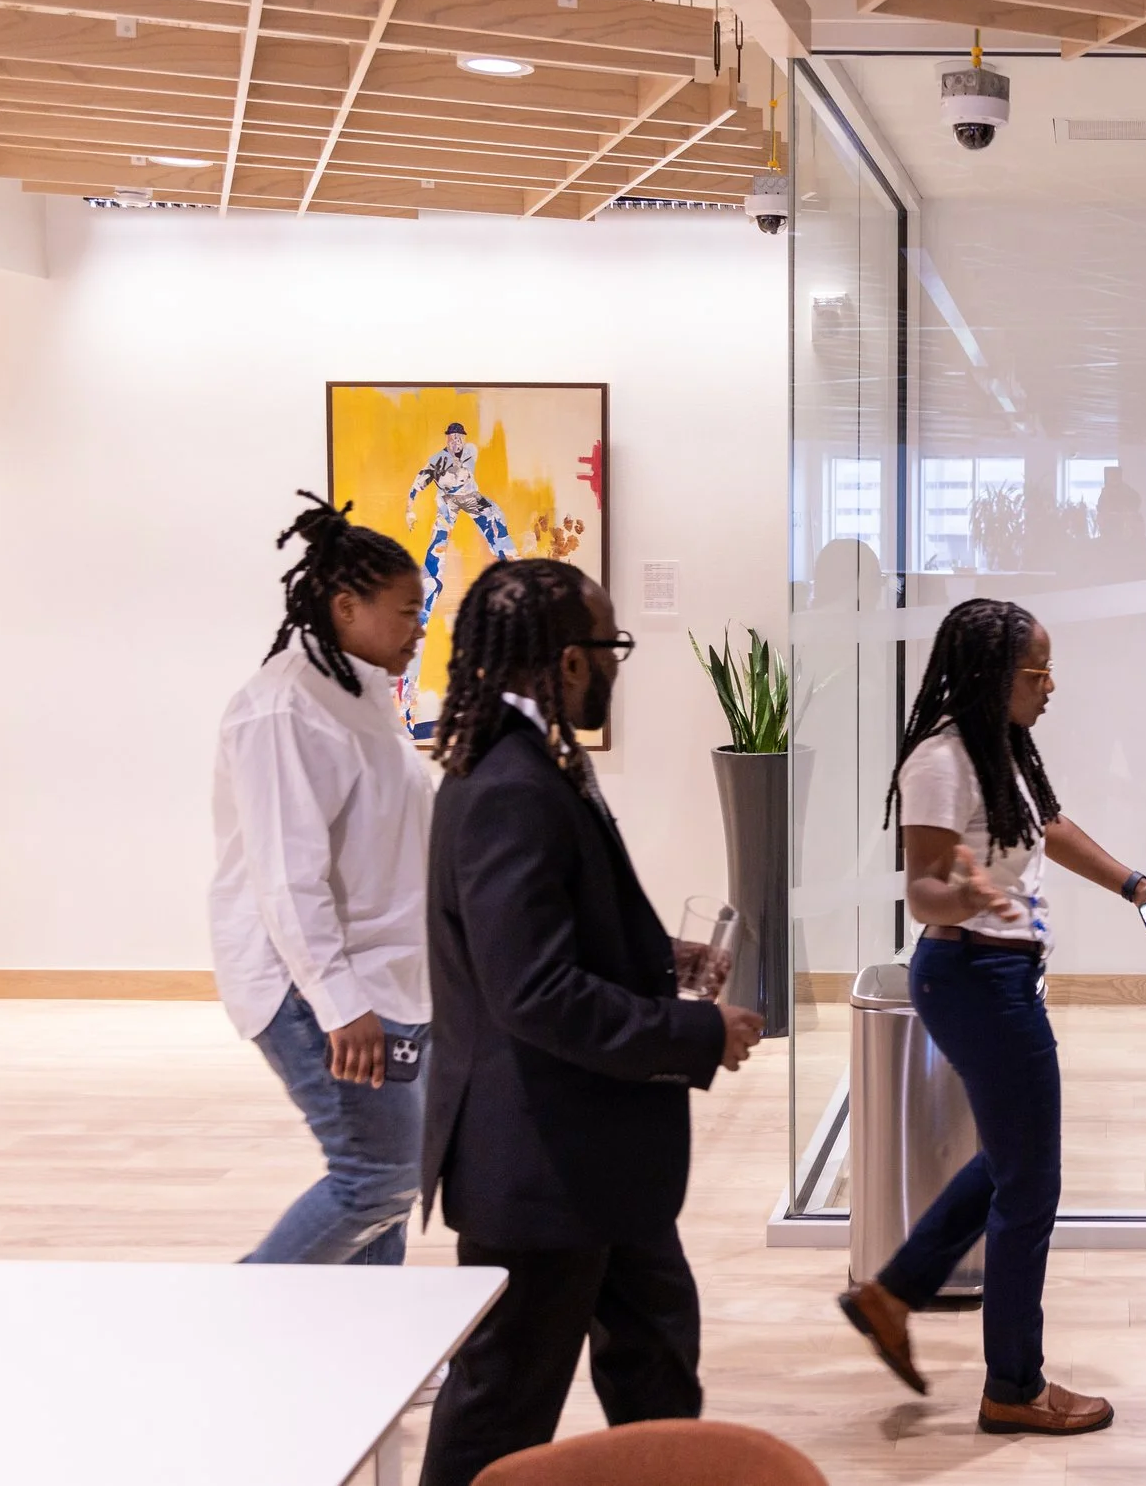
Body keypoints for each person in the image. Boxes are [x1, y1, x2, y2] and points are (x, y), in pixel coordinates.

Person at [416, 558, 764, 1486]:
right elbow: (530, 991)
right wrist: (696, 1032)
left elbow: (557, 937)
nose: (617, 665)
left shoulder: (532, 763)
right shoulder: (508, 784)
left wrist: (667, 964)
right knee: (502, 1402)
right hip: (542, 1164)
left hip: (595, 1155)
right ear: (570, 662)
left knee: (655, 1358)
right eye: (611, 647)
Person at [838, 599, 1146, 1437]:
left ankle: (892, 1293)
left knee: (1009, 1161)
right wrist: (961, 889)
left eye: (1047, 669)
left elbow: (1052, 824)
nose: (1050, 685)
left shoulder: (1003, 746)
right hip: (971, 975)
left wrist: (1136, 885)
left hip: (998, 973)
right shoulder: (939, 759)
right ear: (992, 676)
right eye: (1036, 672)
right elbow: (921, 886)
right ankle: (1013, 1384)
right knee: (1031, 1180)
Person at [210, 493, 433, 1268]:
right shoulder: (282, 711)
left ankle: (365, 1348)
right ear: (345, 605)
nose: (420, 628)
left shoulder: (360, 694)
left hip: (385, 976)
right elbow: (285, 878)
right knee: (378, 1178)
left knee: (392, 1182)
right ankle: (233, 1317)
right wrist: (341, 1004)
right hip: (315, 988)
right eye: (407, 611)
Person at [406, 422, 520, 708]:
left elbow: (460, 477)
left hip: (468, 499)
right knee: (435, 561)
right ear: (447, 438)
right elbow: (422, 480)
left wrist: (443, 479)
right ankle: (409, 694)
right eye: (452, 437)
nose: (456, 441)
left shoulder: (468, 451)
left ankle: (516, 570)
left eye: (459, 437)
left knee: (495, 518)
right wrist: (410, 507)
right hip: (447, 505)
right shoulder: (436, 459)